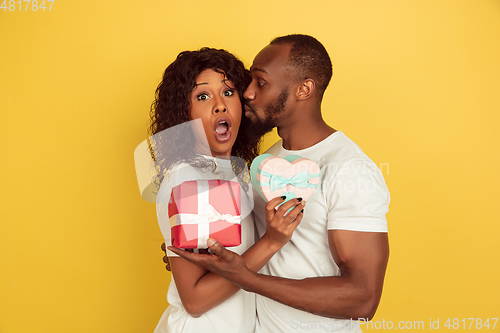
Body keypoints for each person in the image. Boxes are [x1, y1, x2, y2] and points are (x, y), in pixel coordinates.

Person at [168, 35, 391, 333]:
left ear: (304, 89)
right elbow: (242, 239)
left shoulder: (349, 169)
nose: (247, 93)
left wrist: (245, 278)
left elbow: (363, 300)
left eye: (260, 83)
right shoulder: (266, 162)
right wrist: (190, 254)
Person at [149, 47, 305, 333]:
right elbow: (195, 300)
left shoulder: (236, 172)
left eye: (229, 92)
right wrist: (271, 242)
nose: (220, 105)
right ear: (185, 114)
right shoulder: (190, 180)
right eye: (203, 96)